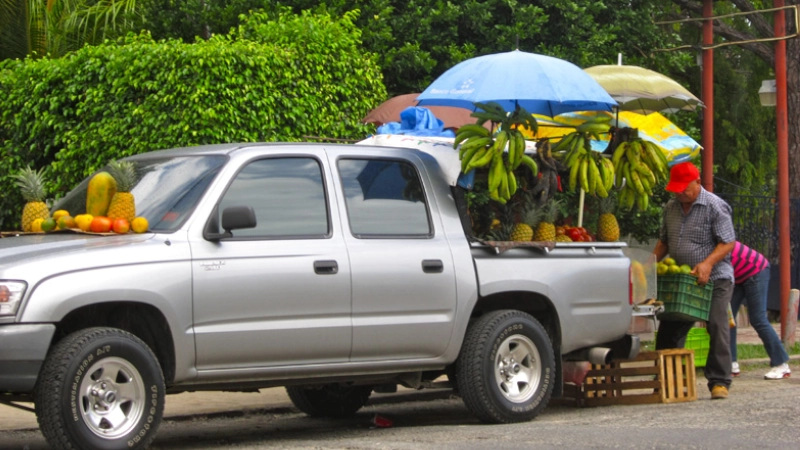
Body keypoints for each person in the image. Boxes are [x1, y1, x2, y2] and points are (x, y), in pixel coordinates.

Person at [653, 162, 736, 400]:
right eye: (676, 189)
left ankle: (720, 382)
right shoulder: (671, 207)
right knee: (670, 326)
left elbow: (728, 242)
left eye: (684, 189)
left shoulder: (715, 206)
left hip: (716, 277)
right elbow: (664, 242)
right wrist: (648, 266)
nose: (680, 193)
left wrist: (708, 263)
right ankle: (667, 378)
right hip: (683, 280)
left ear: (698, 183)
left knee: (717, 325)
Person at [729, 241, 791, 379]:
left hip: (756, 270)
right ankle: (730, 363)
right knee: (727, 317)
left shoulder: (712, 239)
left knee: (758, 319)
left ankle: (781, 364)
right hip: (738, 276)